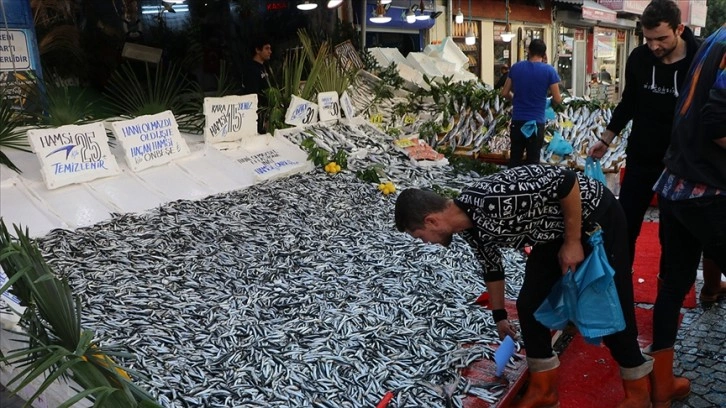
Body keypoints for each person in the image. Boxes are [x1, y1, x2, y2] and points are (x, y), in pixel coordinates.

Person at [395, 164, 654, 408]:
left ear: (431, 221)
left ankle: (638, 393)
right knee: (530, 304)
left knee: (610, 305)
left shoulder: (491, 200)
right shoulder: (470, 225)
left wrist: (572, 242)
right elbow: (492, 268)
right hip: (552, 231)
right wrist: (500, 318)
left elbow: (567, 181)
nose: (427, 243)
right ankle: (545, 391)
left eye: (421, 237)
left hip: (595, 218)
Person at [587, 0, 700, 271]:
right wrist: (605, 140)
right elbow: (628, 103)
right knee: (624, 226)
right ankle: (619, 288)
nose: (654, 46)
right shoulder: (639, 57)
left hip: (680, 163)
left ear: (680, 29)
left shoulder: (699, 60)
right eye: (648, 39)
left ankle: (669, 294)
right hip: (641, 157)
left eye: (661, 38)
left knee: (672, 234)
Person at [649, 23, 726, 408]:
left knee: (672, 283)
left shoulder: (716, 37)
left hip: (677, 181)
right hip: (708, 186)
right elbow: (717, 122)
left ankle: (662, 385)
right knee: (672, 283)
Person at [501, 39, 561, 168]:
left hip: (517, 122)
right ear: (544, 54)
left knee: (515, 160)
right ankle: (530, 187)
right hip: (535, 124)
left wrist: (515, 99)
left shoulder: (516, 67)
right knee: (533, 164)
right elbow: (557, 99)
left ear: (528, 51)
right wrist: (547, 102)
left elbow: (505, 92)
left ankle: (512, 186)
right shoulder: (549, 71)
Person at [242, 37, 272, 134]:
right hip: (257, 113)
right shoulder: (251, 69)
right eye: (266, 48)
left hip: (266, 112)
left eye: (270, 49)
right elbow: (252, 93)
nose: (270, 51)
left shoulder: (264, 67)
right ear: (258, 50)